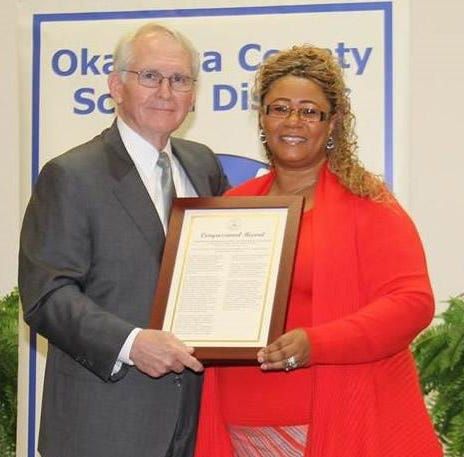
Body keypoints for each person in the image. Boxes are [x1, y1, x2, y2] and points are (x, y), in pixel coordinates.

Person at [194, 45, 443, 457]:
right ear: (262, 118)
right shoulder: (235, 205)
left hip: (329, 422)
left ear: (333, 124)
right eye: (279, 108)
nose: (293, 121)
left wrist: (317, 343)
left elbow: (411, 304)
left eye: (310, 111)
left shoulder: (367, 202)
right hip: (238, 426)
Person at [19, 22, 229, 457]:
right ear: (116, 86)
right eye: (150, 76)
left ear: (193, 94)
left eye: (180, 79)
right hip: (104, 424)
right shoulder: (71, 175)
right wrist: (131, 344)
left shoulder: (202, 165)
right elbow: (47, 296)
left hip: (194, 421)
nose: (166, 92)